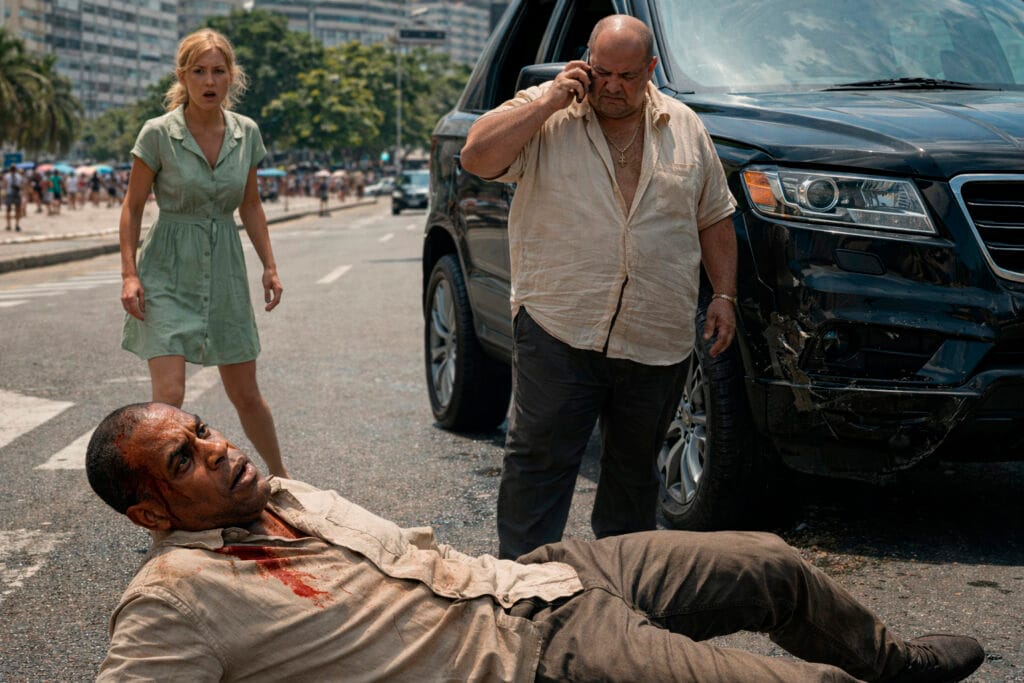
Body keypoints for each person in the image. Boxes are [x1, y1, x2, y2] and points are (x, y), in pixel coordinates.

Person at [86, 402, 984, 683]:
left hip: (538, 576)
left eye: (202, 429)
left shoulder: (277, 491)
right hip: (535, 655)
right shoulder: (176, 598)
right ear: (150, 513)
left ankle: (894, 659)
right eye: (184, 459)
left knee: (771, 561)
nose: (217, 448)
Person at [460, 15, 739, 559]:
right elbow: (477, 156)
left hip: (656, 333)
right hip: (559, 326)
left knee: (634, 478)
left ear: (651, 70)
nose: (611, 86)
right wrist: (548, 102)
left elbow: (714, 216)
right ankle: (524, 585)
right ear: (586, 61)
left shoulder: (684, 125)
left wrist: (724, 295)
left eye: (627, 76)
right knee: (538, 464)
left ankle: (620, 590)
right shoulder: (547, 111)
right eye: (602, 71)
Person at [118, 28, 288, 478]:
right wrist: (130, 275)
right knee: (169, 395)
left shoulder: (246, 133)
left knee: (246, 394)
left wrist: (269, 267)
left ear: (232, 76)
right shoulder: (158, 134)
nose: (209, 81)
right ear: (183, 76)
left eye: (218, 71)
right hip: (166, 270)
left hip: (225, 270)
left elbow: (250, 205)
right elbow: (132, 207)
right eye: (198, 71)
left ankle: (284, 479)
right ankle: (163, 495)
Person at [3, 165, 23, 231]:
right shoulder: (19, 176)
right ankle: (16, 225)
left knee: (8, 210)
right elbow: (21, 185)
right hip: (17, 194)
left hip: (9, 194)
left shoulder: (6, 176)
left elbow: (4, 186)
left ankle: (9, 225)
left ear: (10, 169)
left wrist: (4, 194)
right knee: (17, 210)